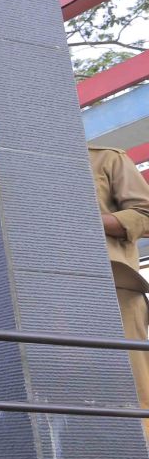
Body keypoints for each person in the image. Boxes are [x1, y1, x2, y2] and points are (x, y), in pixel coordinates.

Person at [88, 146, 149, 437]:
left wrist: (87, 220)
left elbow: (146, 214)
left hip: (114, 290)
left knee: (132, 390)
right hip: (46, 297)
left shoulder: (107, 158)